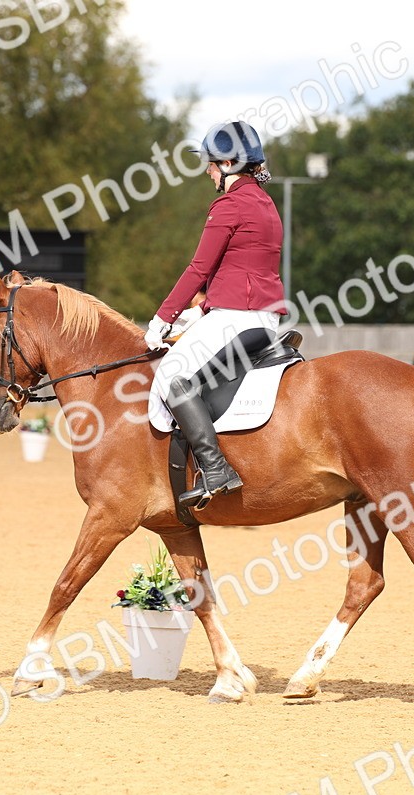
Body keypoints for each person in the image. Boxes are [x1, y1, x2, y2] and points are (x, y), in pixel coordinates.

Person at [144, 121, 286, 509]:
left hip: (240, 318)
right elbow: (241, 268)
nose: (207, 171)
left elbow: (199, 269)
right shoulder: (264, 202)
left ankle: (216, 467)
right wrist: (199, 314)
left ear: (227, 163)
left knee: (172, 377)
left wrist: (162, 318)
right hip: (260, 316)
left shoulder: (230, 203)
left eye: (210, 163)